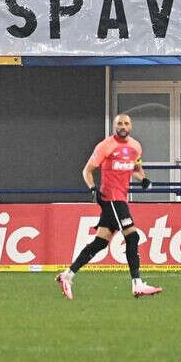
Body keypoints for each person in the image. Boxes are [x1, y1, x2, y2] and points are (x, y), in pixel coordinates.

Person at [57, 113, 162, 300]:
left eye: (126, 123)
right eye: (119, 123)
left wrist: (143, 179)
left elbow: (136, 168)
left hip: (121, 197)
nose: (123, 126)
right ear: (115, 126)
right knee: (133, 235)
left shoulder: (135, 146)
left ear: (131, 126)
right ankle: (137, 284)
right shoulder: (105, 146)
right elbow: (87, 170)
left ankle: (67, 275)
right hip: (111, 197)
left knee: (101, 242)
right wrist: (92, 188)